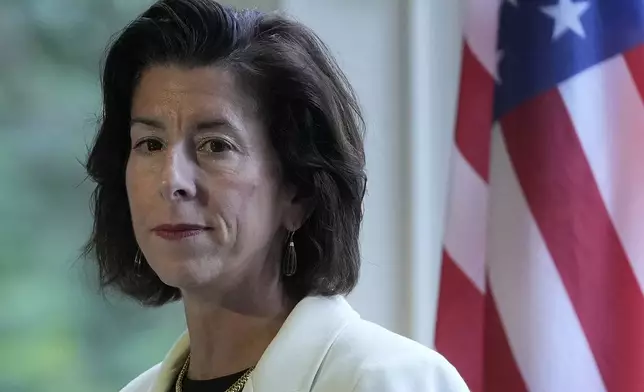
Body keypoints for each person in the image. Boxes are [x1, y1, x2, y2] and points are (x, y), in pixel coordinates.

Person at [84, 0, 470, 391]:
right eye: (150, 144)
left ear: (299, 191)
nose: (172, 180)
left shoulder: (390, 380)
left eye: (216, 146)